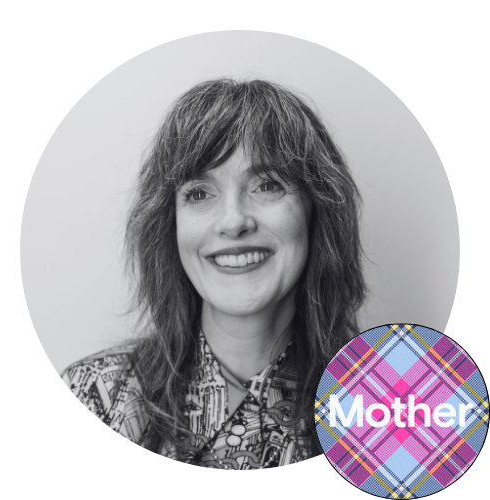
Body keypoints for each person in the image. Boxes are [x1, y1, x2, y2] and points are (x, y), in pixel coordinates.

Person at [61, 78, 367, 468]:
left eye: (267, 185)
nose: (233, 221)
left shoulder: (389, 408)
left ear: (316, 212)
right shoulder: (93, 396)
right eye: (199, 193)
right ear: (169, 224)